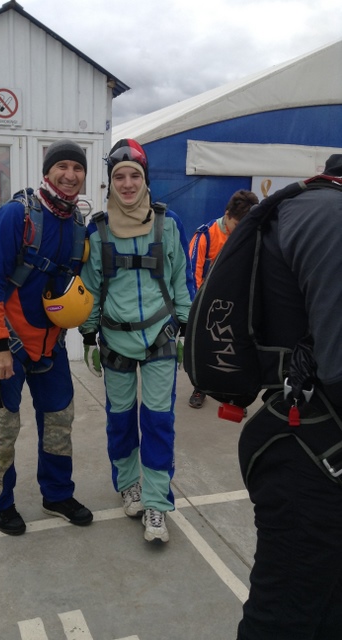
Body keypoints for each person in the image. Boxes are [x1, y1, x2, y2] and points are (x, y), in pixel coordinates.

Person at [237, 155, 342, 639]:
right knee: (287, 615)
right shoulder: (330, 214)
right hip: (310, 453)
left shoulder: (315, 204)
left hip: (307, 439)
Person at [0, 139, 93, 535]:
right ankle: (0, 503)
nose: (70, 175)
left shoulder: (77, 224)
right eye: (62, 166)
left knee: (60, 421)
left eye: (78, 168)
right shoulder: (17, 214)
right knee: (4, 427)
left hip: (50, 346)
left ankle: (56, 495)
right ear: (47, 171)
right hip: (8, 345)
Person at [79, 139, 193, 543]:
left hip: (161, 337)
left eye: (134, 176)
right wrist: (89, 335)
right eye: (119, 177)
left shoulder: (168, 223)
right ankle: (129, 485)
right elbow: (90, 287)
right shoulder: (98, 230)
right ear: (110, 183)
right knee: (121, 420)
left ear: (145, 180)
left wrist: (186, 326)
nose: (127, 184)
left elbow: (181, 278)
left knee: (159, 422)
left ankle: (157, 503)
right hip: (115, 341)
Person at [187, 189, 258, 408]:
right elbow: (192, 274)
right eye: (237, 225)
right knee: (206, 346)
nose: (240, 231)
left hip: (240, 302)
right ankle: (201, 388)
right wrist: (196, 308)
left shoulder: (252, 235)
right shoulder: (205, 236)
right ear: (227, 215)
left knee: (240, 347)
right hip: (210, 305)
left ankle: (237, 395)